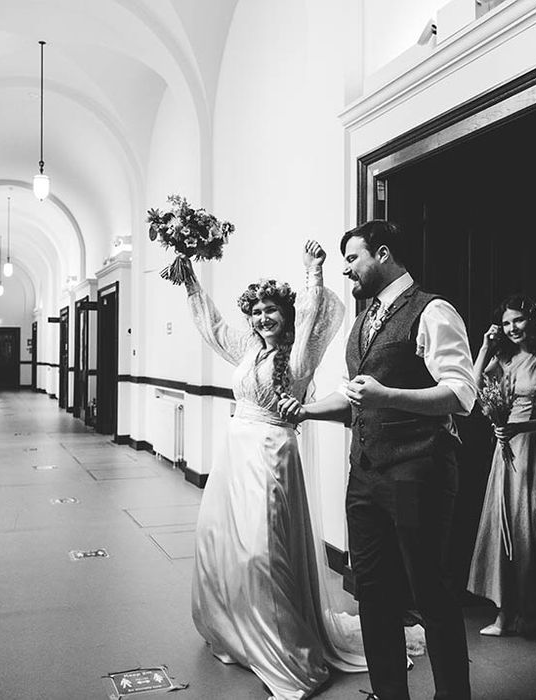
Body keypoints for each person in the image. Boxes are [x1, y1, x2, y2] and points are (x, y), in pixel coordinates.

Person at [278, 220, 476, 700]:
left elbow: (461, 392)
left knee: (432, 593)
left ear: (382, 254)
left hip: (420, 472)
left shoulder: (433, 311)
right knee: (373, 593)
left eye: (352, 258)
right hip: (365, 474)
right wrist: (305, 409)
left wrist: (388, 395)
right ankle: (390, 693)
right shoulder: (365, 319)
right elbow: (358, 401)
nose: (347, 269)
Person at [183, 240, 366, 700]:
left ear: (285, 315)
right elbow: (214, 328)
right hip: (235, 455)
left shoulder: (297, 356)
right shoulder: (247, 349)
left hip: (270, 455)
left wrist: (313, 272)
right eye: (257, 311)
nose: (263, 318)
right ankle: (239, 632)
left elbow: (313, 316)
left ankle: (284, 650)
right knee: (221, 544)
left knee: (264, 554)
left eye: (272, 311)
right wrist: (189, 280)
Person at [467, 294, 536, 636]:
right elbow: (469, 389)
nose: (512, 328)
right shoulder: (505, 357)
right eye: (506, 322)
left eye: (518, 320)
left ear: (533, 319)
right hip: (507, 452)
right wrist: (486, 347)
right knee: (504, 529)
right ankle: (506, 613)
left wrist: (522, 427)